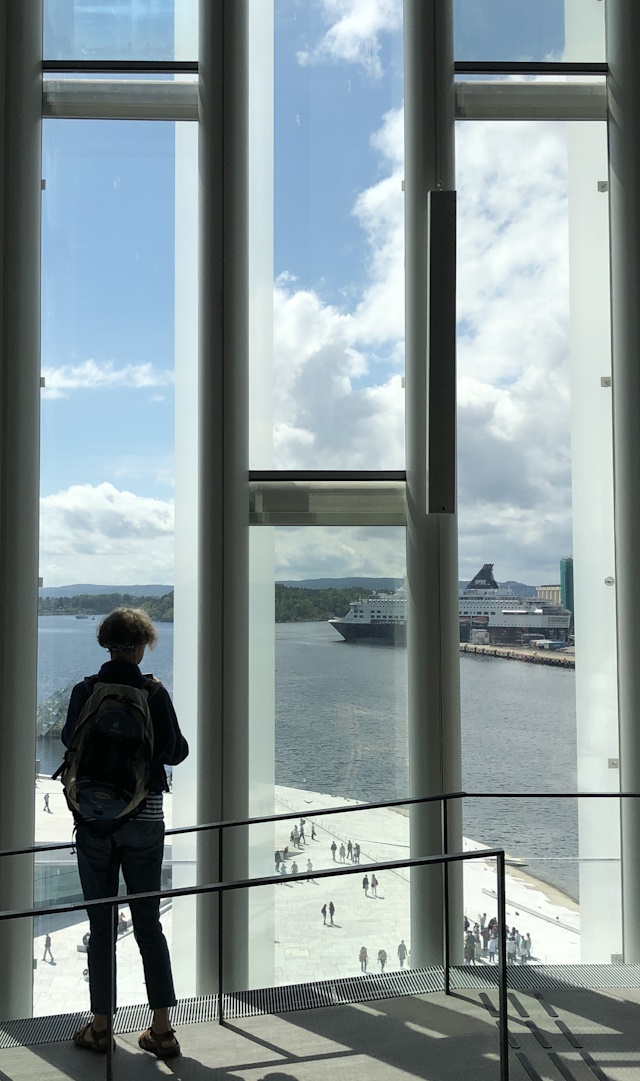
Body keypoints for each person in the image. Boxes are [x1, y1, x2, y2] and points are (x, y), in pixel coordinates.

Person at [62, 608, 188, 1060]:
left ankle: (100, 1027)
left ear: (106, 644)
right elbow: (176, 752)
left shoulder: (85, 690)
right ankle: (163, 1029)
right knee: (148, 923)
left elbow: (66, 740)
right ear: (142, 645)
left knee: (100, 926)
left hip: (94, 822)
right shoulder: (153, 692)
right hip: (145, 819)